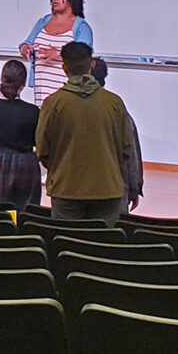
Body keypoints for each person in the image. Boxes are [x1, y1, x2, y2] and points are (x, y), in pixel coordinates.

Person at [36, 41, 133, 222]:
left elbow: (43, 149)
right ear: (92, 64)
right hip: (107, 189)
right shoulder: (114, 103)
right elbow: (126, 148)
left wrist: (62, 169)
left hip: (66, 188)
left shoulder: (53, 103)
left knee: (67, 243)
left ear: (64, 67)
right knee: (101, 246)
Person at [0, 59, 42, 211]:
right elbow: (39, 143)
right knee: (25, 209)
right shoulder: (33, 111)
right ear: (23, 84)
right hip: (26, 163)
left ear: (2, 79)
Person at [18, 0, 94, 106]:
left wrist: (58, 54)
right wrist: (25, 48)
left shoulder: (81, 27)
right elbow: (27, 42)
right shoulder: (43, 22)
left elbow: (83, 54)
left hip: (67, 90)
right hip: (41, 88)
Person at [91, 57, 143, 215]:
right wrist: (135, 188)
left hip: (72, 190)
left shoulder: (63, 105)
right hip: (113, 190)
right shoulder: (117, 109)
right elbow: (131, 154)